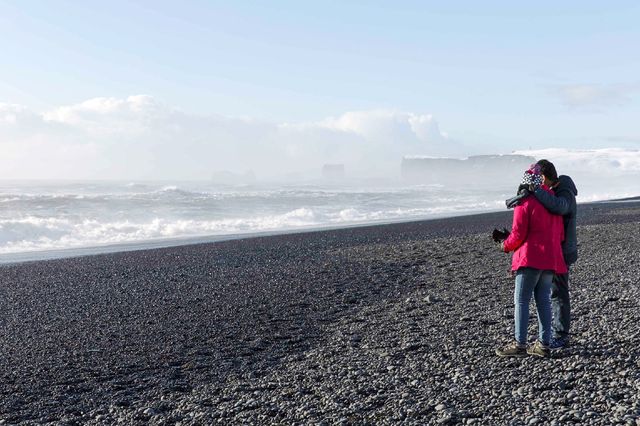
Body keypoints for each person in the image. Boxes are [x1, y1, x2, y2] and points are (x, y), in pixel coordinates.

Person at [495, 164, 567, 358]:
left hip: (530, 258)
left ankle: (520, 344)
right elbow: (560, 234)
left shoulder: (524, 202)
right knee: (543, 300)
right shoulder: (552, 201)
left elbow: (518, 234)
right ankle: (543, 344)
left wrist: (505, 246)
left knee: (521, 300)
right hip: (550, 258)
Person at [531, 160, 578, 349]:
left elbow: (560, 207)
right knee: (552, 292)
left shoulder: (564, 190)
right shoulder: (555, 190)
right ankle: (554, 333)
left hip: (563, 251)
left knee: (558, 292)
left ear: (543, 177)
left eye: (538, 179)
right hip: (553, 249)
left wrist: (536, 190)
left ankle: (561, 334)